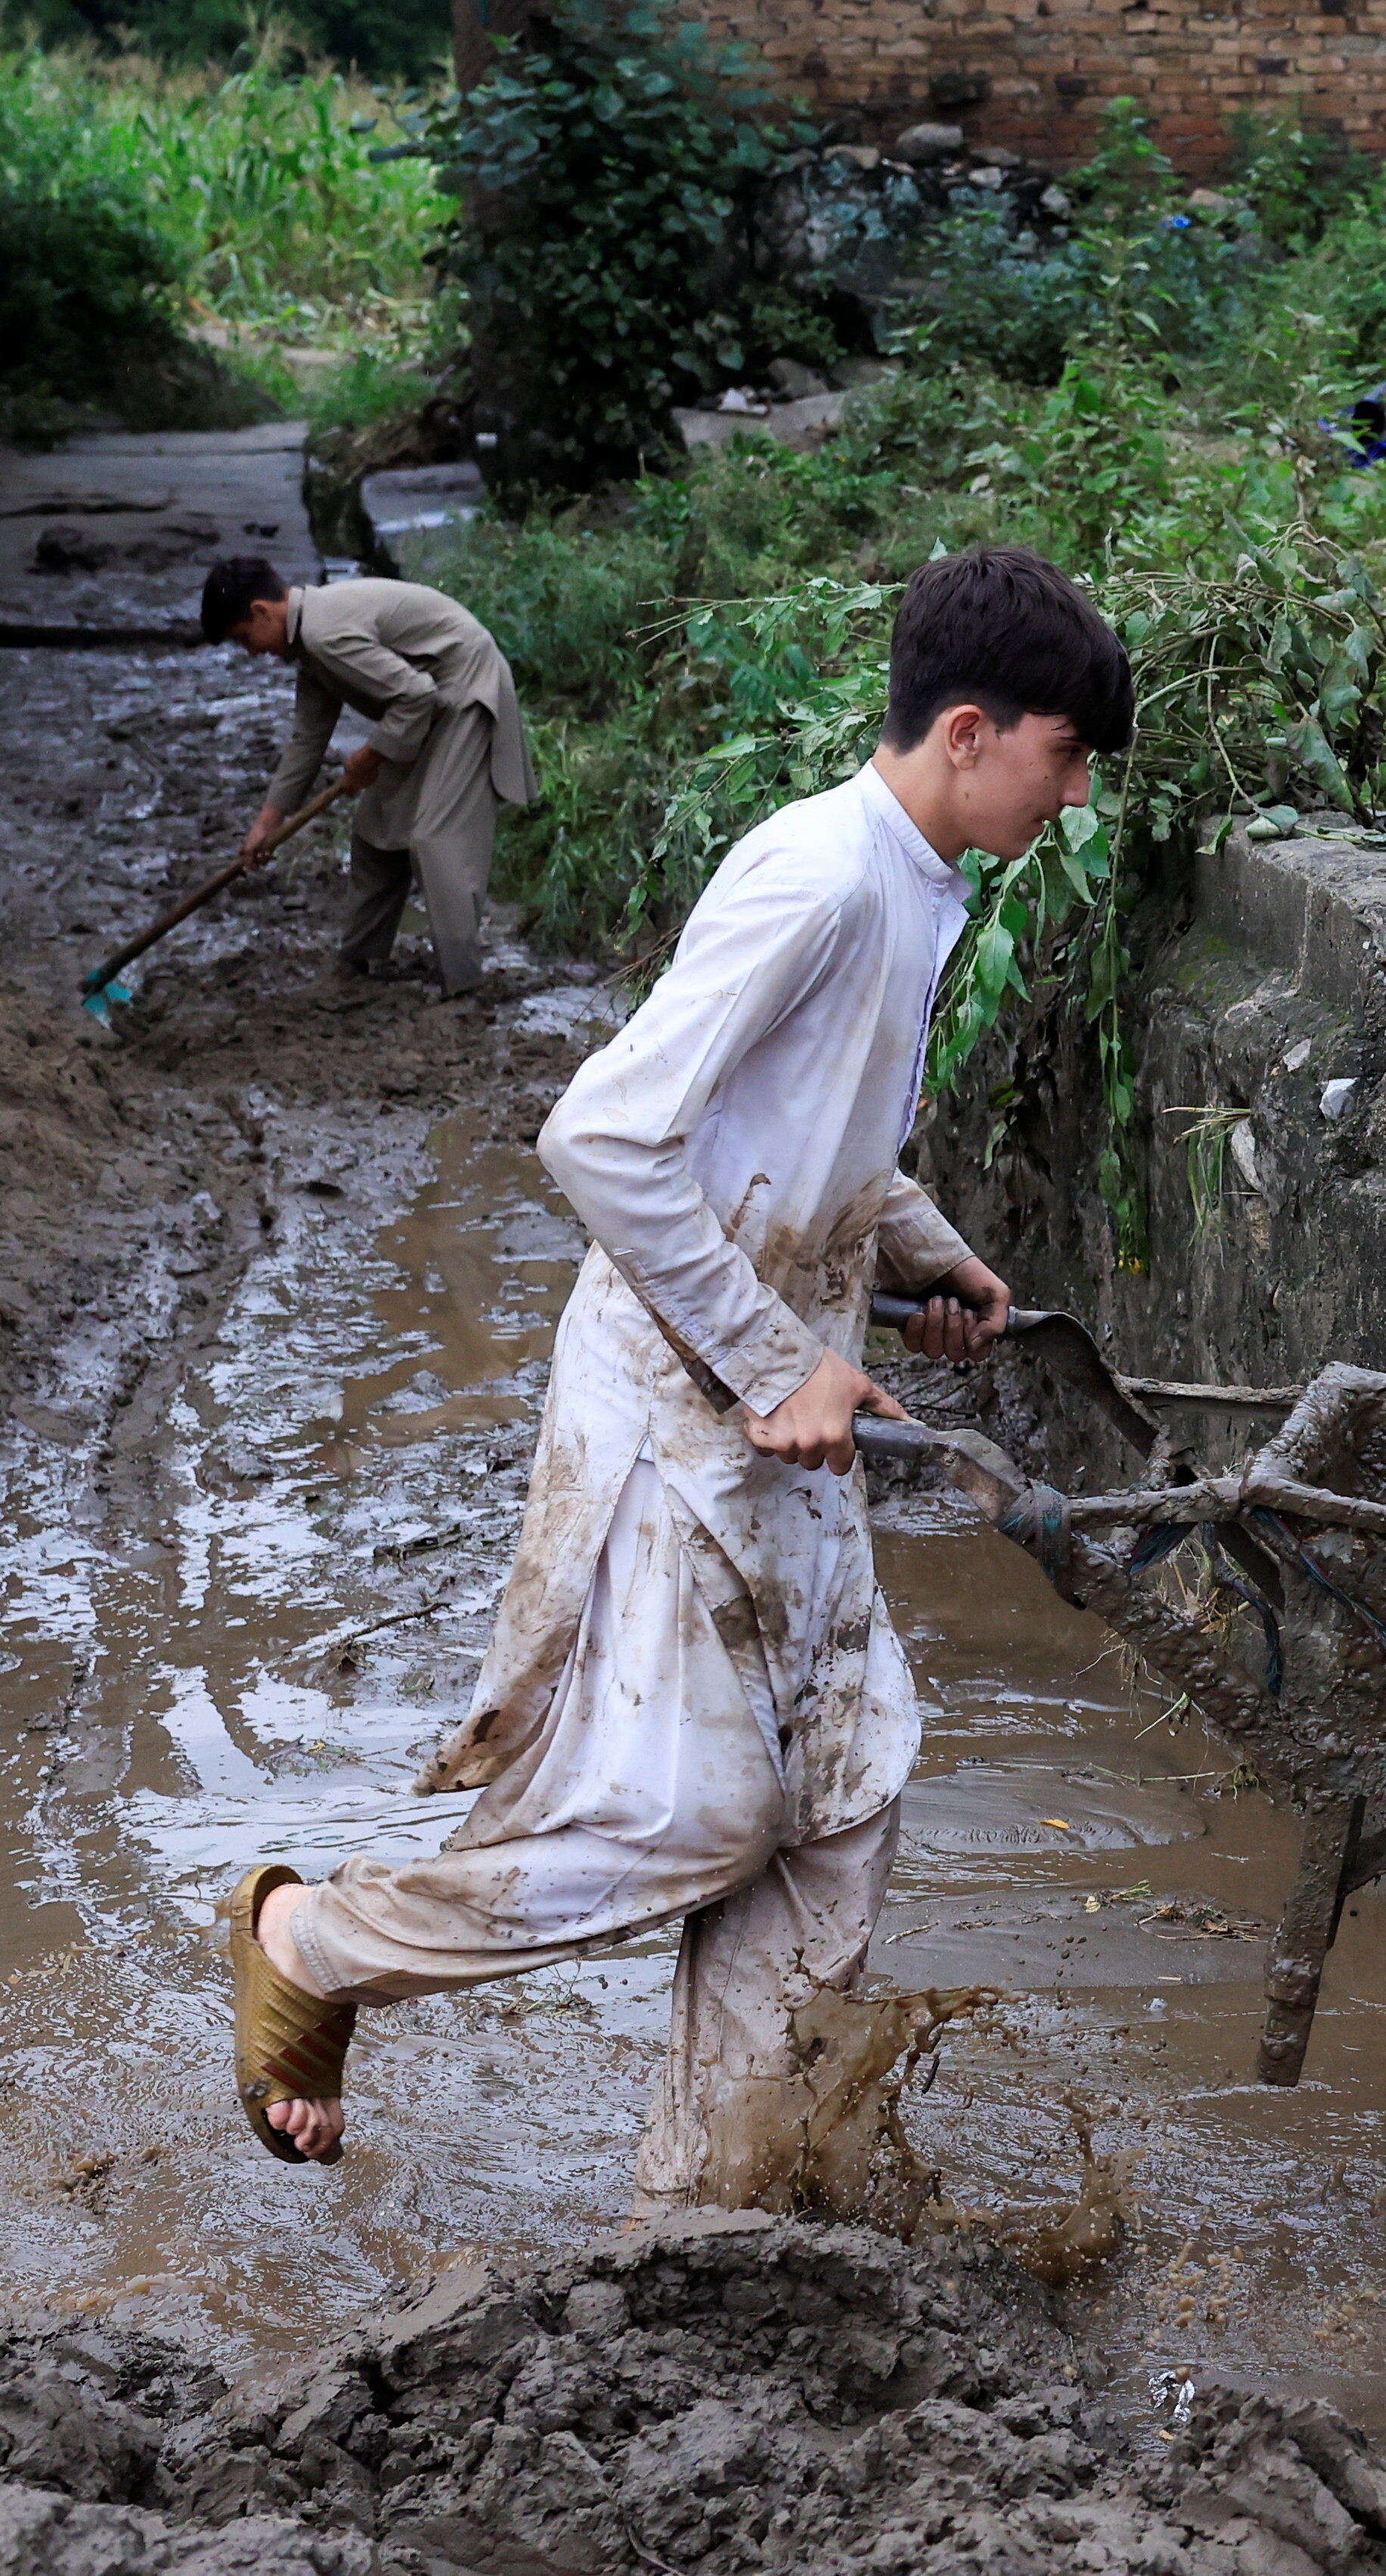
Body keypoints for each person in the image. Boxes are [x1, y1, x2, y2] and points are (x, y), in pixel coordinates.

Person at [215, 546, 1133, 2204]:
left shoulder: (917, 882)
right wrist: (783, 1353)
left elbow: (795, 1125)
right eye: (1066, 758)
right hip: (676, 1399)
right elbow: (604, 1136)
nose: (1072, 796)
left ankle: (712, 2201)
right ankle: (313, 1940)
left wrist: (912, 1240)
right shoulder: (821, 878)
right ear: (975, 731)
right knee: (700, 1814)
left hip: (781, 1397)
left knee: (845, 1789)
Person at [205, 557, 533, 998]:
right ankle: (359, 961)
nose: (252, 652)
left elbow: (416, 693)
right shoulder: (310, 645)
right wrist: (268, 823)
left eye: (245, 639)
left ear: (263, 611)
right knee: (375, 832)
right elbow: (308, 738)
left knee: (435, 838)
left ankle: (465, 984)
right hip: (426, 705)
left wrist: (372, 754)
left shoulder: (325, 633)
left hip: (465, 688)